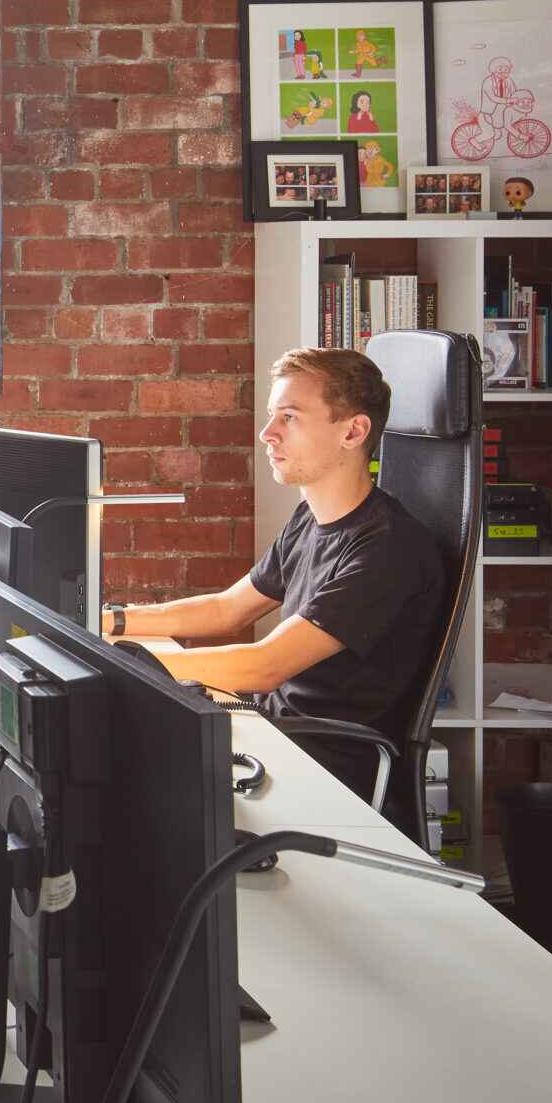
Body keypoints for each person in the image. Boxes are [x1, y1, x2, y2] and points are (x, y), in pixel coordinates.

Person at [101, 349, 447, 825]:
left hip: (320, 763)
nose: (268, 434)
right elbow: (228, 609)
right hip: (275, 729)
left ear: (353, 431)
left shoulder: (386, 550)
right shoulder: (312, 517)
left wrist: (127, 666)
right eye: (271, 416)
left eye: (289, 417)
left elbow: (264, 665)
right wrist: (107, 623)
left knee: (118, 759)